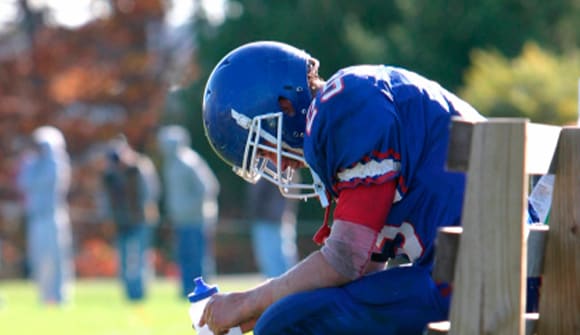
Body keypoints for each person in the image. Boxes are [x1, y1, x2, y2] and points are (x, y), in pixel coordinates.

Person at [198, 41, 540, 335]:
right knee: (293, 311)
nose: (279, 165)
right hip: (496, 270)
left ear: (284, 104)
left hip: (483, 282)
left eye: (263, 147)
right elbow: (362, 271)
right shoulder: (355, 98)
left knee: (285, 323)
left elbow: (345, 260)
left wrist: (248, 301)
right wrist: (271, 301)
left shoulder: (343, 108)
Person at [157, 125, 220, 297]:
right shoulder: (170, 164)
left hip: (196, 219)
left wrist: (189, 208)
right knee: (184, 257)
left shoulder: (189, 161)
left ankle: (204, 292)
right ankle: (187, 290)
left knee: (198, 258)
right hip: (180, 220)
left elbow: (208, 187)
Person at [16, 126, 74, 305]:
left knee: (57, 258)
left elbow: (50, 180)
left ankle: (60, 296)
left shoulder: (57, 162)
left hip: (54, 216)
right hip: (36, 218)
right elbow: (23, 183)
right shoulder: (31, 163)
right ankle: (44, 296)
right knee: (39, 258)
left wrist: (40, 162)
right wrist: (30, 163)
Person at [101, 134, 160, 302]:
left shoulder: (140, 167)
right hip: (121, 222)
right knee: (124, 260)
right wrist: (108, 218)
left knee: (140, 258)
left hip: (140, 219)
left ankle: (140, 294)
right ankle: (129, 295)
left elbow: (151, 192)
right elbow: (105, 198)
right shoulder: (110, 174)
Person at [245, 175, 298, 278]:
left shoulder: (269, 166)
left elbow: (257, 194)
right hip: (276, 218)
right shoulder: (282, 166)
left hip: (269, 219)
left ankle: (283, 291)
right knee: (282, 260)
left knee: (274, 263)